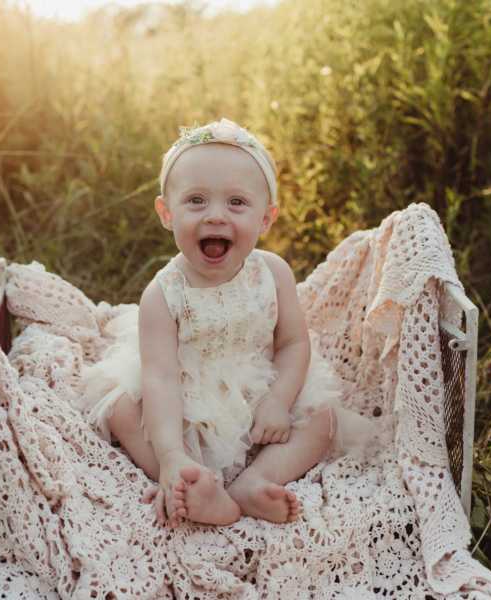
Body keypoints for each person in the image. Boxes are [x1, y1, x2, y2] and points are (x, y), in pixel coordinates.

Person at [79, 118, 368, 527]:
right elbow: (160, 379)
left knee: (321, 420)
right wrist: (170, 450)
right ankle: (183, 476)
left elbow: (293, 345)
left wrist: (278, 401)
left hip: (259, 390)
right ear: (166, 213)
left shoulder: (274, 273)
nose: (215, 216)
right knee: (122, 410)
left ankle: (255, 480)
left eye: (236, 203)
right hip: (184, 400)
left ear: (266, 219)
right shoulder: (162, 295)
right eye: (196, 201)